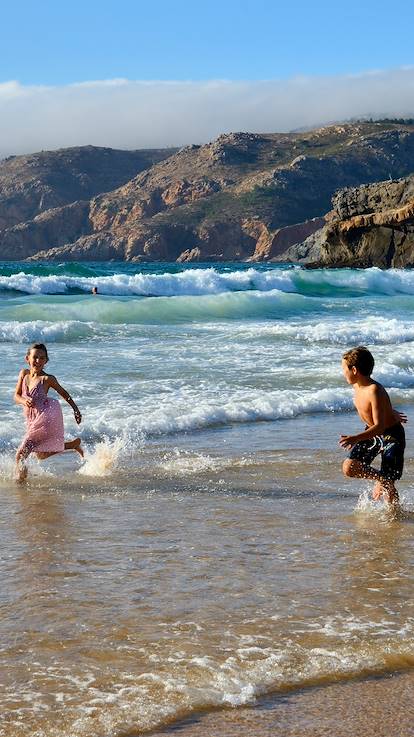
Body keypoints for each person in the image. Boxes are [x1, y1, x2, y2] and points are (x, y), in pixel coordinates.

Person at [339, 346, 406, 505]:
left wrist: (355, 438)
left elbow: (380, 426)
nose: (343, 373)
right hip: (373, 433)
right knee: (349, 468)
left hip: (391, 435)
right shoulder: (357, 386)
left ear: (354, 370)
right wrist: (390, 411)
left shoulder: (374, 389)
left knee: (389, 484)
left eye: (344, 369)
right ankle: (382, 479)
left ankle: (393, 517)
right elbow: (377, 408)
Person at [14, 343, 83, 482]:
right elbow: (16, 395)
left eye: (42, 358)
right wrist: (23, 401)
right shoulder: (24, 374)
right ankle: (71, 445)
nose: (38, 361)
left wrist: (76, 409)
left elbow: (63, 393)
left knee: (20, 454)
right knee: (40, 454)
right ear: (27, 358)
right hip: (31, 419)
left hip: (43, 419)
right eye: (35, 357)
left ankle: (21, 484)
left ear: (46, 361)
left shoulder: (47, 379)